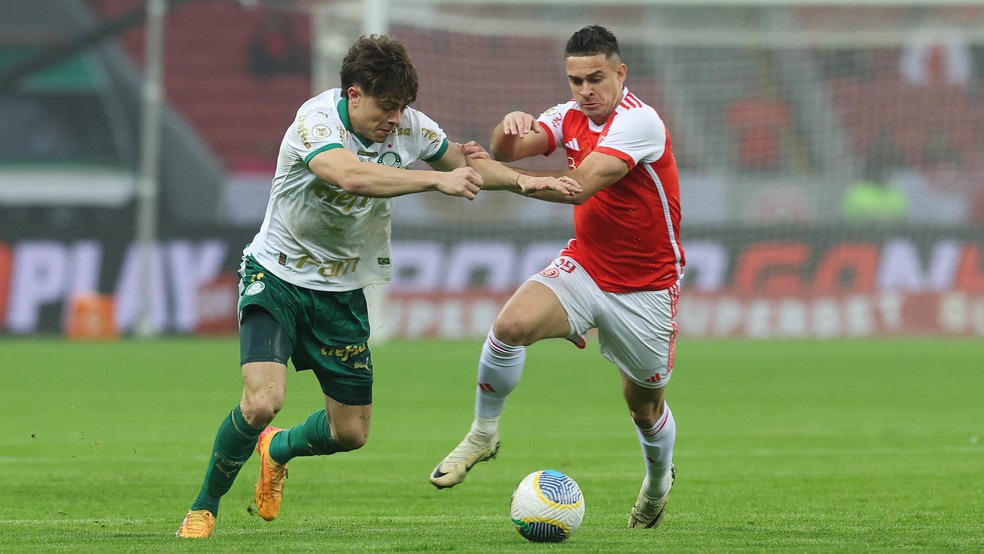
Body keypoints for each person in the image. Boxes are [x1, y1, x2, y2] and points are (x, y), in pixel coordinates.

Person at [175, 34, 580, 539]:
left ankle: (277, 448)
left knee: (351, 433)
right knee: (261, 402)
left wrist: (525, 182)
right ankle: (204, 507)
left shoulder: (410, 126)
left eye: (402, 107)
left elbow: (464, 163)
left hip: (342, 291)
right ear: (354, 94)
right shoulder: (315, 122)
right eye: (387, 106)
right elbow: (352, 177)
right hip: (277, 276)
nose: (396, 118)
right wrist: (435, 181)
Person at [429, 25, 685, 530]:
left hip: (646, 287)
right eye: (575, 81)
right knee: (510, 326)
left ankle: (658, 482)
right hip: (586, 266)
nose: (585, 91)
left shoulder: (640, 122)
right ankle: (483, 433)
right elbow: (504, 151)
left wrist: (507, 179)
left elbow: (577, 187)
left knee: (644, 407)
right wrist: (507, 128)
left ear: (620, 73)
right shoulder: (566, 115)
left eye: (595, 79)